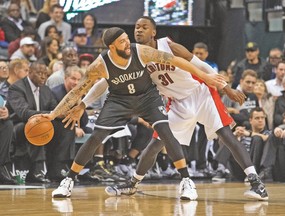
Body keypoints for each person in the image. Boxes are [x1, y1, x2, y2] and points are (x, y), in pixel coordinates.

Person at [71, 18, 268, 201]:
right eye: (136, 27)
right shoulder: (135, 55)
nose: (138, 29)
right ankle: (132, 184)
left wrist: (226, 88)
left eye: (144, 27)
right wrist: (83, 103)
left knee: (226, 135)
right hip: (177, 102)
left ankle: (256, 183)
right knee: (155, 144)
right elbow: (105, 82)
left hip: (200, 93)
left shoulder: (171, 46)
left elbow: (203, 66)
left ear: (154, 32)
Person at [37, 27, 226, 200]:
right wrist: (54, 114)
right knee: (96, 137)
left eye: (127, 39)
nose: (127, 43)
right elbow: (78, 90)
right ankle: (68, 181)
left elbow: (176, 60)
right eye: (122, 41)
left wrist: (205, 76)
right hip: (119, 100)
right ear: (112, 46)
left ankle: (186, 181)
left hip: (147, 98)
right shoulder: (100, 65)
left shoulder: (140, 51)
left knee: (166, 134)